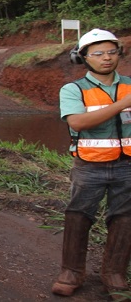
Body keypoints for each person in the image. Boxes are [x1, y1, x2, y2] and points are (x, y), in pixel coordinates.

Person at [52, 29, 131, 299]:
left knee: (124, 218)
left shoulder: (130, 84)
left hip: (128, 165)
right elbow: (78, 121)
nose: (106, 58)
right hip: (89, 165)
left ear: (120, 53)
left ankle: (115, 273)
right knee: (78, 215)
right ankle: (71, 271)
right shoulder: (74, 89)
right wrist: (123, 104)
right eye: (97, 53)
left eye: (112, 51)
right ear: (83, 57)